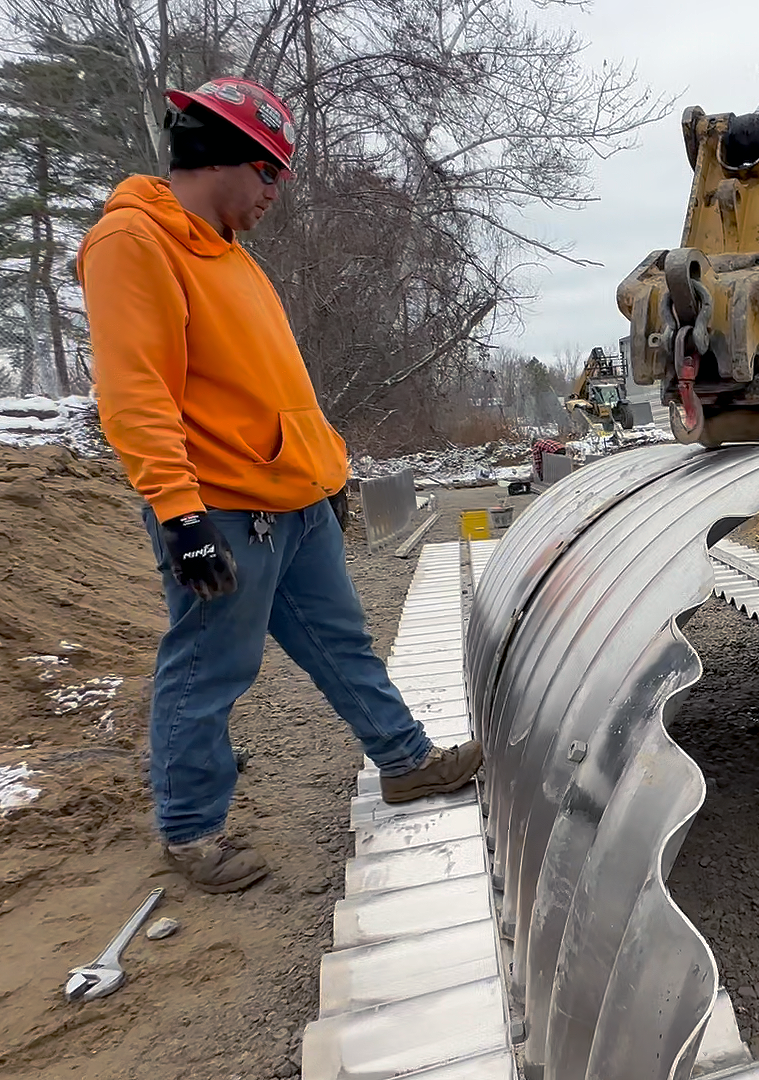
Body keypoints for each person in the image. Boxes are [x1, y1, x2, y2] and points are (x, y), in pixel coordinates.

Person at [76, 77, 483, 894]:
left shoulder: (234, 260)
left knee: (343, 643)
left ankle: (404, 760)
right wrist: (179, 514)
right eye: (269, 173)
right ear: (220, 156)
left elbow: (280, 386)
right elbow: (135, 393)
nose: (275, 193)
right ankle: (190, 832)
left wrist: (324, 466)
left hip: (297, 505)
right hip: (222, 510)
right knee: (207, 670)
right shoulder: (134, 242)